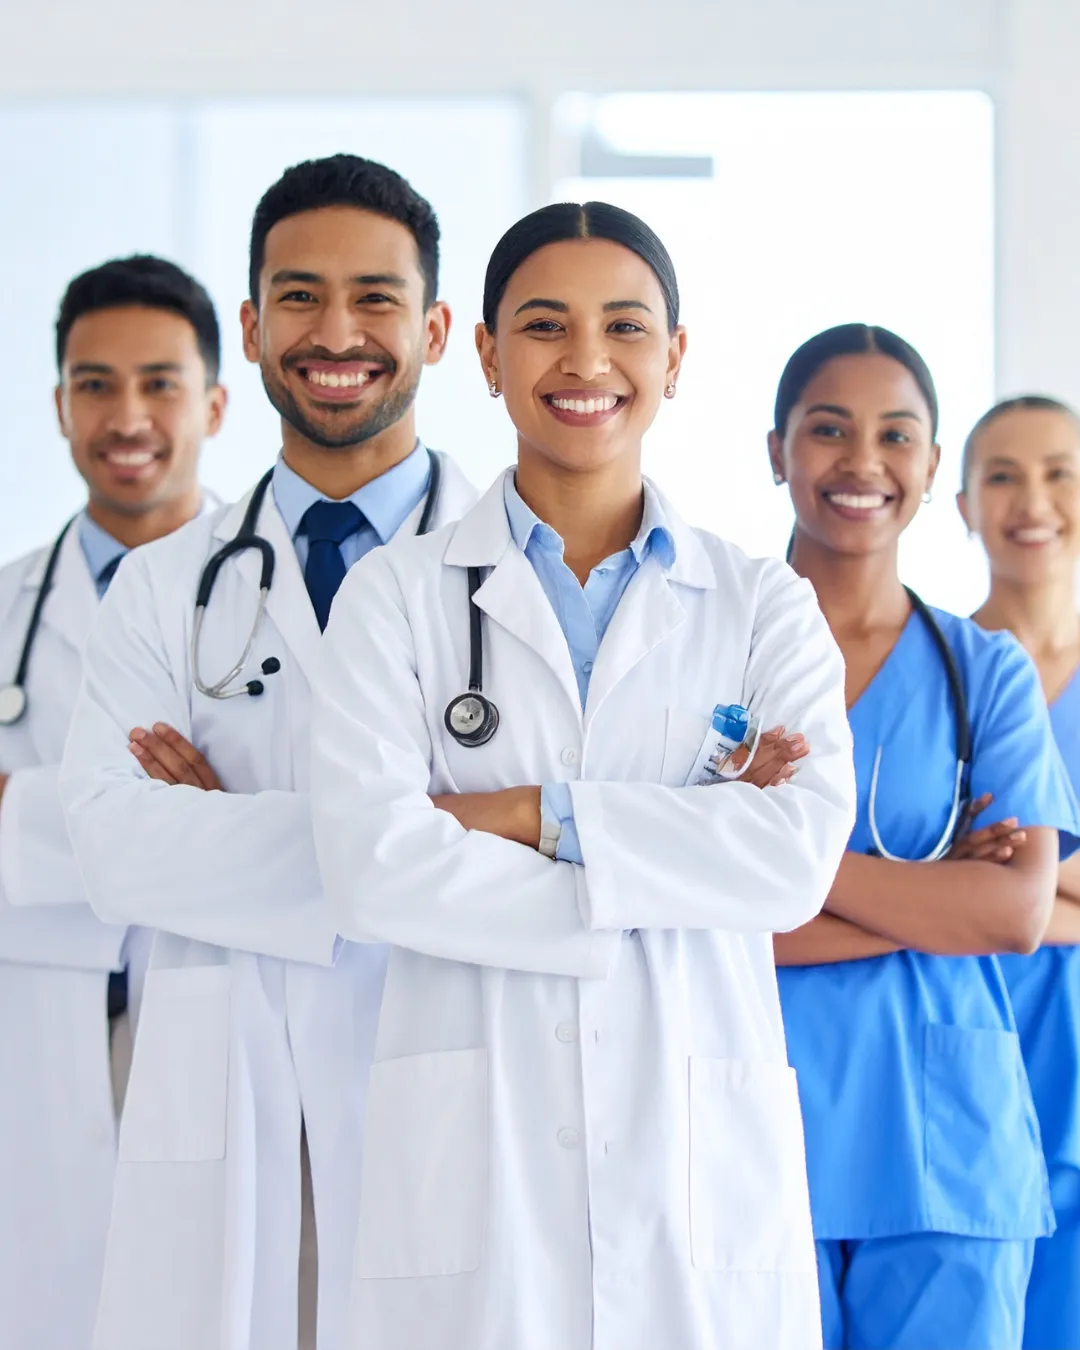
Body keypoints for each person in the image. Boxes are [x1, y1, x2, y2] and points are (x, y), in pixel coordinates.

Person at [308, 201, 857, 1350]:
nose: (588, 360)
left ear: (677, 355)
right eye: (546, 325)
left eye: (626, 325)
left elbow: (791, 864)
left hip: (693, 1167)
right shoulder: (395, 600)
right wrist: (666, 858)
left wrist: (528, 817)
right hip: (473, 1167)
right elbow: (368, 870)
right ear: (490, 354)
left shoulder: (762, 605)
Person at [59, 154, 475, 1350]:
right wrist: (432, 828)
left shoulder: (516, 579)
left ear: (438, 328)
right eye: (298, 296)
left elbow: (560, 852)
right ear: (249, 326)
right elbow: (112, 849)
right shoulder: (162, 587)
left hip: (444, 1079)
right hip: (229, 1092)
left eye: (376, 299)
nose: (334, 331)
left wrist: (225, 823)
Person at [770, 327, 1080, 1350]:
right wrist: (933, 896)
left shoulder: (981, 672)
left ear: (929, 466)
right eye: (828, 430)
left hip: (949, 1148)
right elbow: (695, 916)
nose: (863, 461)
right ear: (776, 450)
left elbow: (1014, 912)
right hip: (759, 1130)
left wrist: (785, 879)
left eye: (896, 434)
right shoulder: (710, 656)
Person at [0, 255, 225, 1350]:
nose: (126, 415)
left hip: (221, 1018)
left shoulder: (287, 606)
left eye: (160, 383)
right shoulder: (6, 608)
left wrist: (22, 813)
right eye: (94, 384)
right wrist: (166, 813)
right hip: (36, 1039)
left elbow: (316, 823)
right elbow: (226, 831)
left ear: (216, 402)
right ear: (57, 406)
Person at [960, 395, 1080, 1350]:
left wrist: (1003, 889)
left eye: (1058, 472)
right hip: (964, 1040)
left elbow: (977, 890)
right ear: (961, 502)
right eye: (1002, 474)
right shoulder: (938, 671)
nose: (1032, 498)